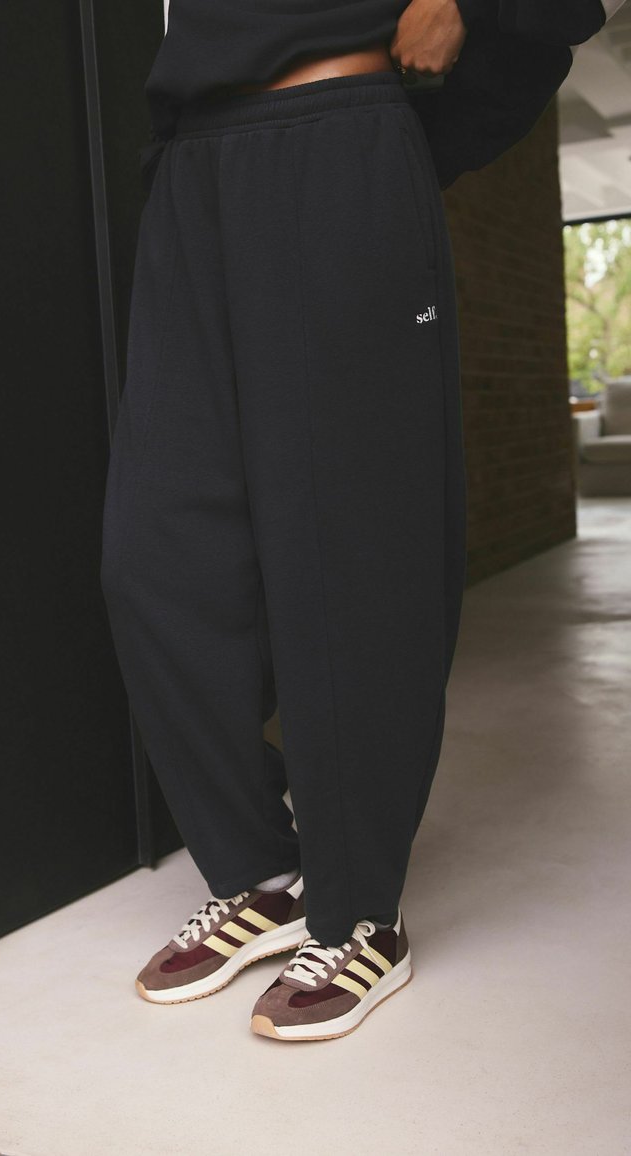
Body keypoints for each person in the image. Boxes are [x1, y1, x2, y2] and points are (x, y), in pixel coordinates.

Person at [99, 0, 615, 1043]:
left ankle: (359, 908)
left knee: (350, 553)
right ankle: (261, 871)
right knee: (156, 554)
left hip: (336, 142)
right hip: (194, 169)